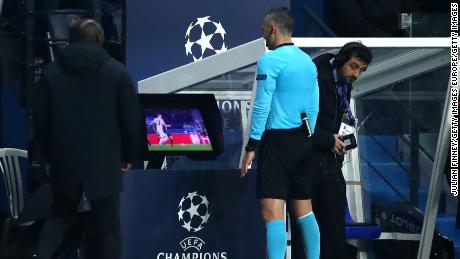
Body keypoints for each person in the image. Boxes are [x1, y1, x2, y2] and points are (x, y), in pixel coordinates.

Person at [31, 19, 141, 259]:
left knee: (59, 218)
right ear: (100, 39)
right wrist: (129, 156)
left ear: (71, 38)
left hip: (64, 163)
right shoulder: (118, 73)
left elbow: (41, 122)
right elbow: (131, 120)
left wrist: (48, 156)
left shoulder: (50, 74)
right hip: (104, 164)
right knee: (108, 230)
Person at [240, 7, 320, 259]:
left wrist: (252, 145)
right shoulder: (308, 61)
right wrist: (309, 135)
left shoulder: (269, 60)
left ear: (273, 29)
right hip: (304, 141)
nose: (264, 37)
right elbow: (314, 103)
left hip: (277, 143)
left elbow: (262, 104)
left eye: (264, 31)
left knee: (272, 212)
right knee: (304, 210)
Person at [290, 42, 372, 259]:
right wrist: (326, 139)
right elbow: (298, 118)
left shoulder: (344, 82)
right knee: (306, 235)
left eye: (361, 70)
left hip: (330, 166)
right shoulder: (313, 76)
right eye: (354, 66)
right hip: (305, 167)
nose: (356, 74)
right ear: (340, 60)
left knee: (334, 234)